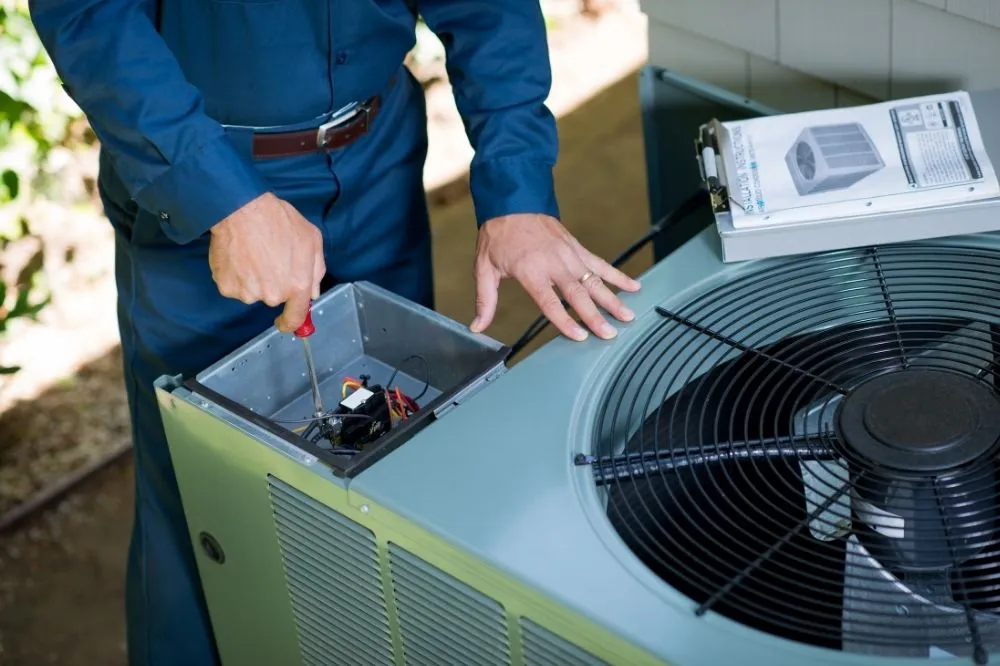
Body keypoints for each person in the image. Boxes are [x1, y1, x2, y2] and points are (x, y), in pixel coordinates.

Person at [29, 1, 641, 664]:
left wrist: (516, 189)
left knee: (395, 460)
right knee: (207, 506)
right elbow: (89, 14)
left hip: (378, 161)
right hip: (204, 183)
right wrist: (223, 199)